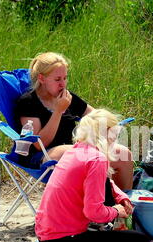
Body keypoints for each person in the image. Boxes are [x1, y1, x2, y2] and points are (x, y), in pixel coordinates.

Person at [35, 109, 151, 242]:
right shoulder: (97, 159)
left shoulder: (74, 151)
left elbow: (105, 182)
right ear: (107, 132)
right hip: (63, 240)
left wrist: (120, 195)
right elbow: (93, 212)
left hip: (46, 235)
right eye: (116, 133)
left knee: (107, 193)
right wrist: (116, 211)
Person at [15, 52, 133, 190]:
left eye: (65, 78)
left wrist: (108, 127)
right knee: (80, 153)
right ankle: (97, 202)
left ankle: (123, 206)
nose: (63, 84)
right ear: (42, 78)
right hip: (42, 157)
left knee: (123, 154)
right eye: (57, 79)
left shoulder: (68, 97)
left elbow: (95, 116)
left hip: (76, 149)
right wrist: (58, 111)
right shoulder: (29, 102)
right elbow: (39, 144)